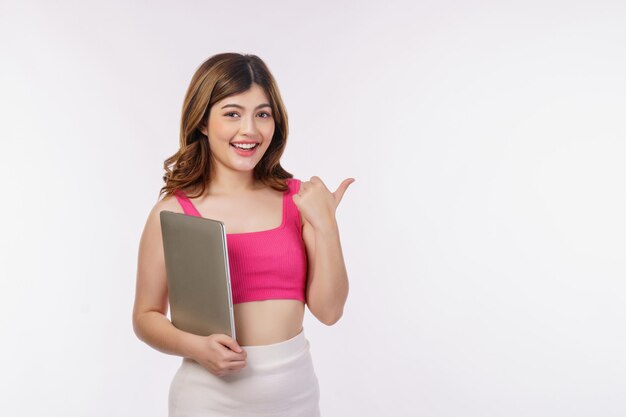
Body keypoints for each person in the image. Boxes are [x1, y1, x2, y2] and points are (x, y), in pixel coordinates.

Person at [132, 52, 354, 417]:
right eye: (232, 113)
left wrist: (326, 226)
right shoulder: (172, 212)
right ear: (202, 121)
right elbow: (145, 315)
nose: (249, 129)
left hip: (295, 397)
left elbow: (329, 312)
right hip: (207, 400)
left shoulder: (300, 201)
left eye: (262, 114)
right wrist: (196, 347)